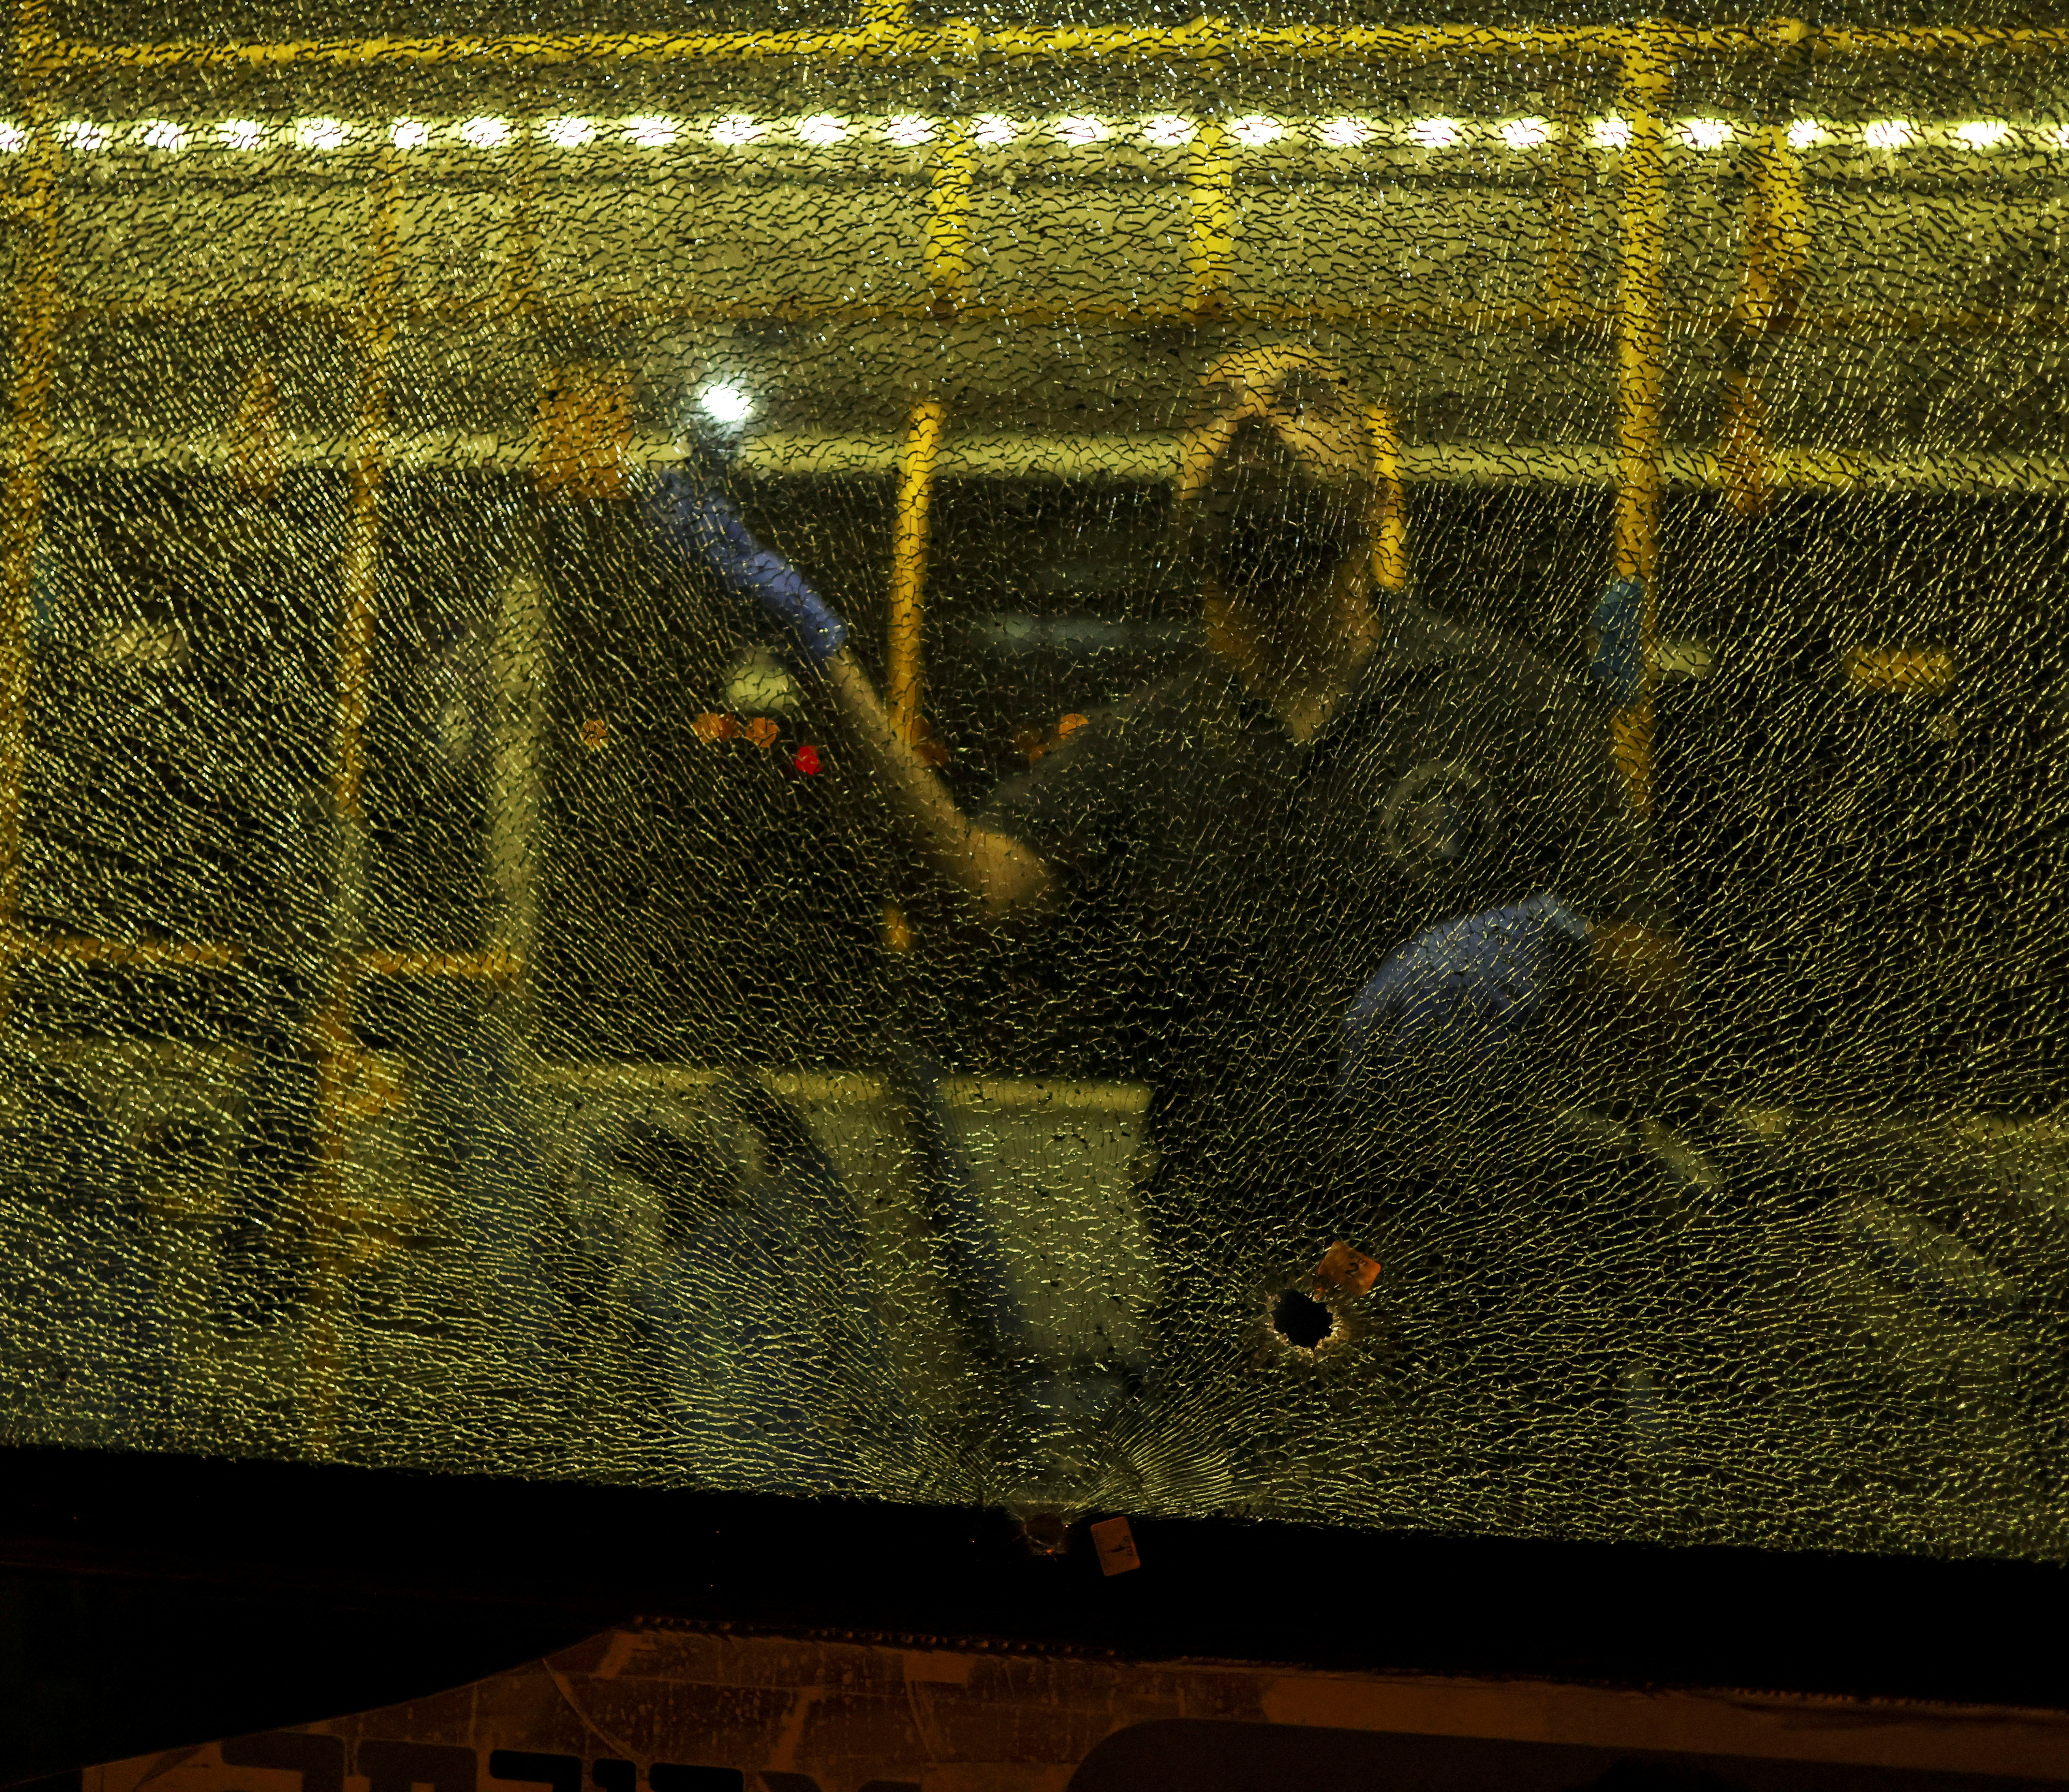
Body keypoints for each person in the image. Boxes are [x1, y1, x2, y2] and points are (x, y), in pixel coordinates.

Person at [640, 344, 1686, 1503]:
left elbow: (1657, 979)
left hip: (1494, 1315)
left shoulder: (1507, 704)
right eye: (1212, 407)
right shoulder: (1145, 752)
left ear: (1380, 494)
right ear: (1181, 512)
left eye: (1298, 401)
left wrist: (1552, 959)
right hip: (1241, 1318)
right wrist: (817, 660)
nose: (1245, 418)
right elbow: (961, 902)